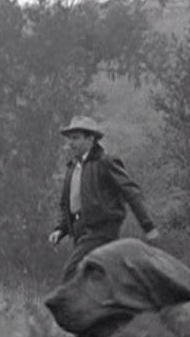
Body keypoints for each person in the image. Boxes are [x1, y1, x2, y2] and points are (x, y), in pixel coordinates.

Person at [48, 116, 160, 281]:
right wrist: (61, 229)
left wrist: (148, 226)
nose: (71, 143)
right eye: (70, 138)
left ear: (90, 139)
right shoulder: (72, 167)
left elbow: (131, 192)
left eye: (76, 138)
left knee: (72, 274)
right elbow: (68, 203)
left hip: (101, 230)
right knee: (95, 280)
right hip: (80, 232)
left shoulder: (105, 162)